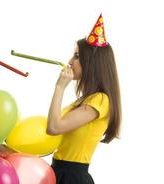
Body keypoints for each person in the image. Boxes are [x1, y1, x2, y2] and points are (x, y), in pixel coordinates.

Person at [47, 14, 122, 184]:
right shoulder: (82, 101)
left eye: (77, 56)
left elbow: (54, 127)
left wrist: (59, 87)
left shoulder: (101, 100)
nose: (70, 61)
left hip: (73, 178)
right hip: (56, 173)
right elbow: (52, 137)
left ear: (92, 62)